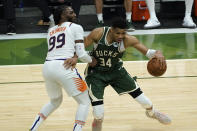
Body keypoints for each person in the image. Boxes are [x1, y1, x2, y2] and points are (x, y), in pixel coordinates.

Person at [83, 17, 172, 131]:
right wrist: (89, 59)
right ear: (111, 30)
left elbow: (149, 53)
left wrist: (158, 53)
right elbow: (79, 50)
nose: (120, 36)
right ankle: (97, 123)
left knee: (146, 102)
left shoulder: (129, 40)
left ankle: (152, 113)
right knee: (98, 114)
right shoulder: (98, 33)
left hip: (116, 72)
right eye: (117, 33)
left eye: (123, 33)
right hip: (96, 74)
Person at [29, 5, 95, 131]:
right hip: (64, 67)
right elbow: (81, 54)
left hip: (48, 67)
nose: (75, 14)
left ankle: (33, 128)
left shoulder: (51, 30)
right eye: (71, 12)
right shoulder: (76, 27)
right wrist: (92, 61)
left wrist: (74, 57)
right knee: (84, 101)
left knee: (55, 101)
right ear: (62, 15)